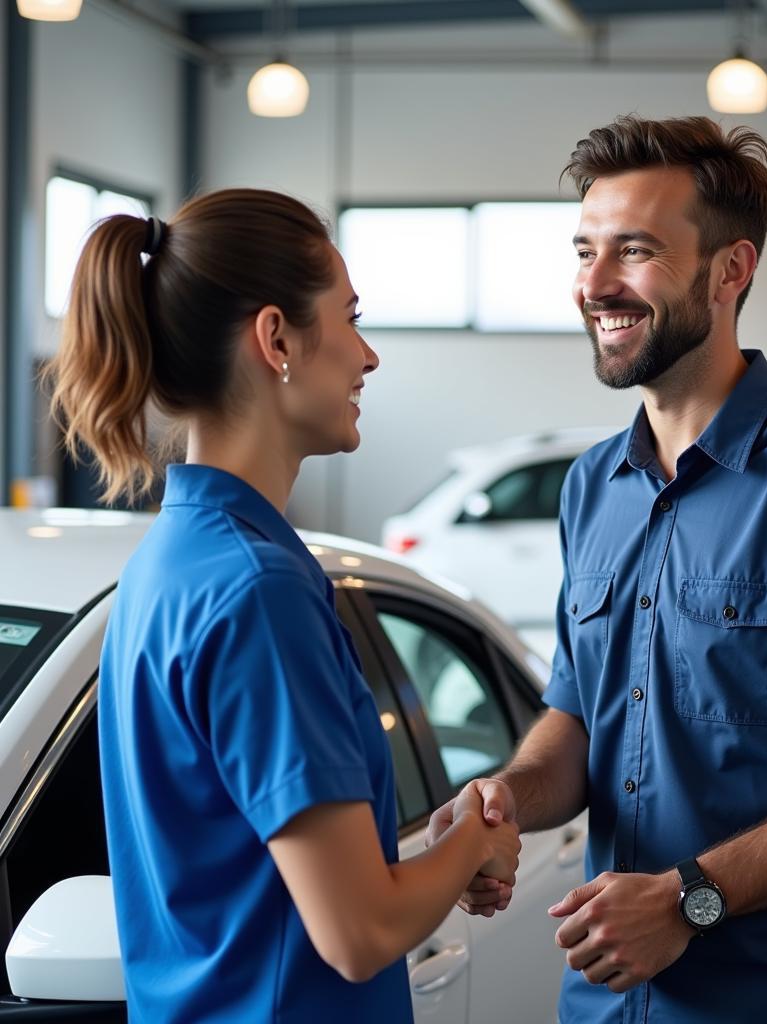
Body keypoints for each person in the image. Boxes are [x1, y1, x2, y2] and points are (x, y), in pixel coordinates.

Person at [426, 116, 767, 1024]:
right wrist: (508, 798)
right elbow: (580, 716)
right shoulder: (593, 486)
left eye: (634, 252)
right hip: (607, 1001)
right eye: (586, 251)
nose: (595, 285)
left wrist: (689, 899)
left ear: (731, 271)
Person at [46, 189, 520, 1023]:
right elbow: (360, 928)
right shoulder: (257, 591)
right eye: (351, 317)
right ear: (276, 340)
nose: (368, 356)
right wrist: (472, 839)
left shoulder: (174, 559)